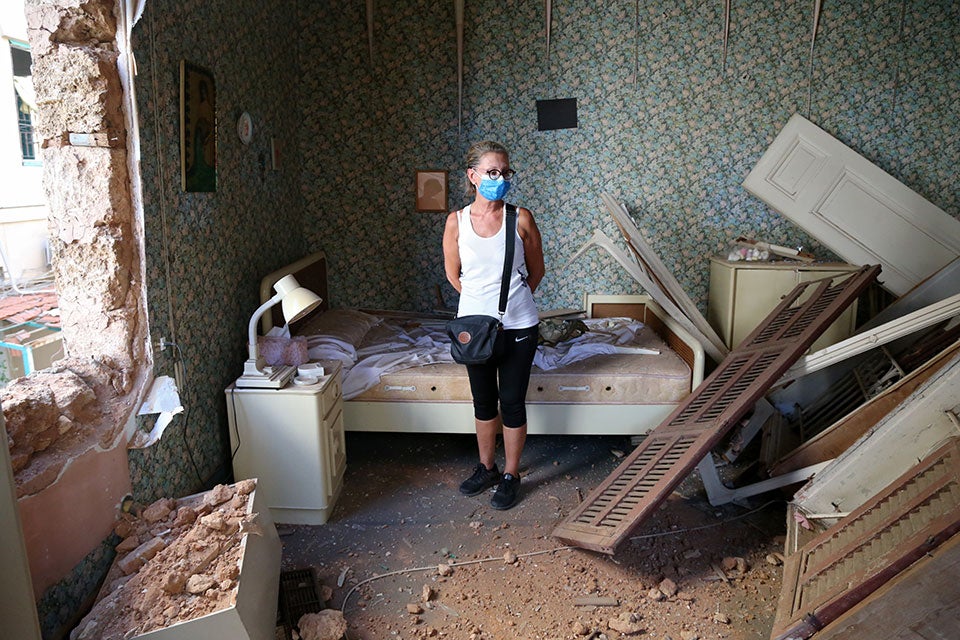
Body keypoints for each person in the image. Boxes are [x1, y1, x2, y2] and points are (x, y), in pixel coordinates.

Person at [442, 140, 545, 510]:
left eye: (505, 172)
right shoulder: (456, 221)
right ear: (472, 176)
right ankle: (486, 467)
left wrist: (512, 302)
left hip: (519, 327)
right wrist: (480, 304)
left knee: (512, 403)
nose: (500, 179)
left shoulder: (521, 219)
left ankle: (511, 474)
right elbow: (454, 276)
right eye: (492, 172)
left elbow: (537, 272)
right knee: (483, 403)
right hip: (473, 328)